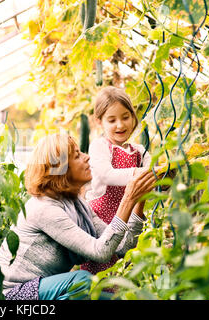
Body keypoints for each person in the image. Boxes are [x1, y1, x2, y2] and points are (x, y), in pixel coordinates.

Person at [0, 133, 156, 300]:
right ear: (60, 168)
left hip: (43, 289)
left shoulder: (76, 204)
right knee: (82, 282)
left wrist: (139, 198)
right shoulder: (44, 208)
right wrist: (128, 199)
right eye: (77, 155)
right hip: (12, 294)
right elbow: (100, 252)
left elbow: (123, 247)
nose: (87, 158)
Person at [81, 86, 152, 276]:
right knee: (102, 270)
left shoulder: (139, 150)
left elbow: (153, 175)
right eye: (112, 120)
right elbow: (106, 174)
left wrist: (161, 174)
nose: (120, 125)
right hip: (100, 218)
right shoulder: (100, 146)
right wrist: (141, 173)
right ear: (99, 122)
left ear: (133, 116)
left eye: (125, 117)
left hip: (128, 216)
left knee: (125, 269)